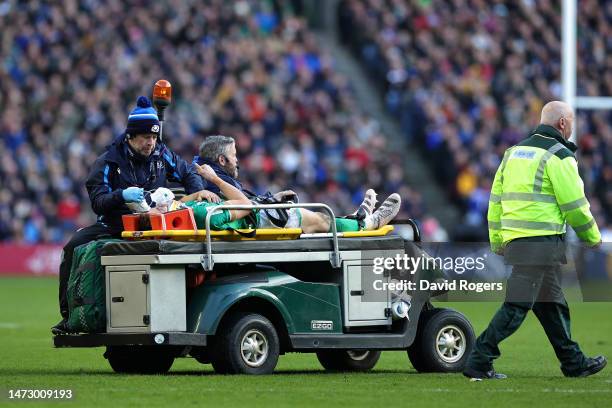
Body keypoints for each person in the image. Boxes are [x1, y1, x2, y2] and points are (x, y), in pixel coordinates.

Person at [463, 101, 607, 379]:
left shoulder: (512, 153)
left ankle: (574, 362)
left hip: (519, 242)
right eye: (572, 121)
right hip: (541, 243)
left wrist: (497, 240)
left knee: (551, 305)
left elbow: (495, 201)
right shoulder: (559, 155)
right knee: (517, 306)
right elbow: (575, 205)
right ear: (563, 123)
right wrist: (592, 236)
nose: (573, 126)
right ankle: (478, 360)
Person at [52, 96, 212, 334]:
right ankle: (70, 317)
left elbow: (187, 171)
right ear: (130, 136)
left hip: (155, 223)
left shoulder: (160, 152)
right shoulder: (108, 161)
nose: (151, 143)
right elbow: (98, 202)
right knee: (72, 248)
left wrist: (198, 191)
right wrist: (121, 196)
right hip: (116, 224)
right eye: (146, 137)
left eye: (155, 137)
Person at [193, 135, 401, 233]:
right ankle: (366, 224)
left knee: (319, 218)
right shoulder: (213, 180)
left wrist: (270, 200)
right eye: (234, 156)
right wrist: (216, 180)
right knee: (321, 220)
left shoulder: (206, 174)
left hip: (256, 215)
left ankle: (357, 218)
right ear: (221, 160)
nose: (237, 160)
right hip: (257, 221)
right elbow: (242, 205)